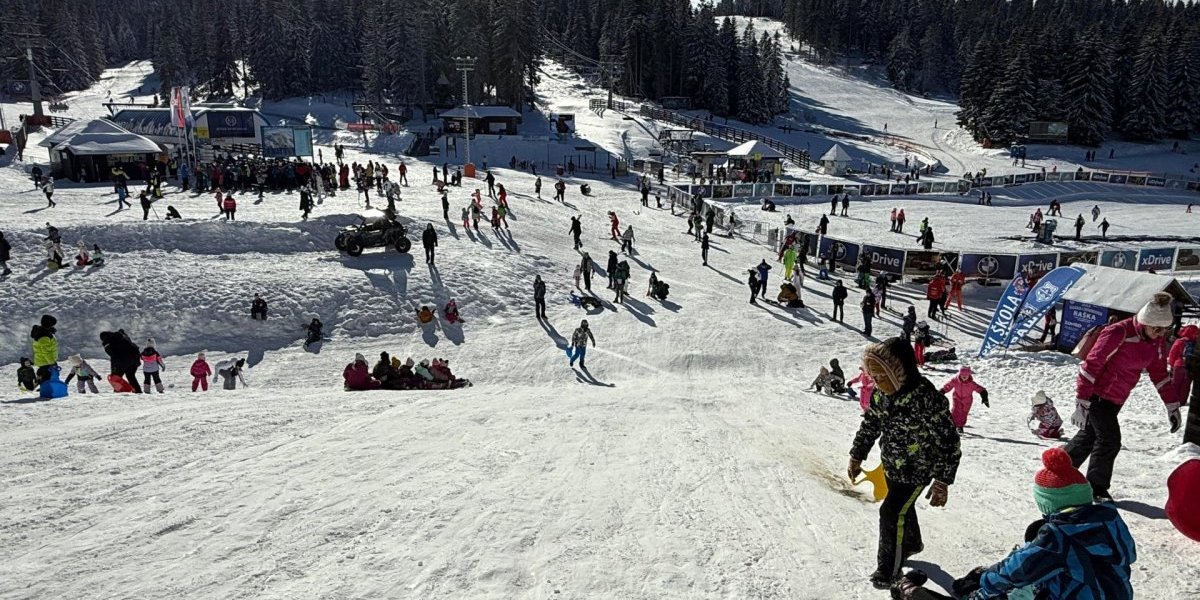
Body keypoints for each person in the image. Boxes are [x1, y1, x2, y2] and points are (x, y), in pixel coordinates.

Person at [849, 337, 961, 589]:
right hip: (892, 464)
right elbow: (870, 425)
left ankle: (888, 569)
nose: (877, 383)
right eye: (873, 377)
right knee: (901, 509)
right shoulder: (881, 395)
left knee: (890, 512)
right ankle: (911, 542)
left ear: (899, 372)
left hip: (917, 470)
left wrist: (942, 480)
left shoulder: (926, 398)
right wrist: (857, 454)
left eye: (882, 377)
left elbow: (948, 441)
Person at [955, 448, 1134, 600]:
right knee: (1037, 533)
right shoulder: (1109, 521)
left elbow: (1017, 570)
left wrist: (984, 582)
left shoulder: (1059, 535)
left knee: (1014, 580)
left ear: (1049, 503)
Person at [1067, 292, 1180, 502]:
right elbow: (1091, 365)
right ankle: (1096, 488)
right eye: (1157, 329)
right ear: (1145, 322)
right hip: (1097, 396)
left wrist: (1172, 405)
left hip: (1117, 398)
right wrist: (1082, 401)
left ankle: (1058, 472)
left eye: (1165, 329)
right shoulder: (1118, 332)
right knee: (1110, 440)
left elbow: (1159, 374)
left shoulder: (1155, 341)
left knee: (1089, 437)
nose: (1161, 334)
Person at [940, 367, 989, 433]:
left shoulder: (971, 384)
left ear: (969, 375)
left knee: (964, 413)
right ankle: (955, 425)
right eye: (962, 375)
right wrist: (942, 391)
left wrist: (984, 397)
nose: (964, 377)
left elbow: (981, 389)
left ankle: (960, 426)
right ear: (960, 374)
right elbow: (948, 386)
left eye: (966, 376)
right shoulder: (955, 380)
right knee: (956, 411)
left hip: (967, 401)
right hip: (956, 398)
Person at [30, 314, 59, 385]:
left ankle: (41, 382)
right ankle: (45, 390)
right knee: (47, 377)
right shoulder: (44, 336)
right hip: (46, 361)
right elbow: (45, 351)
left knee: (44, 374)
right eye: (52, 325)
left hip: (43, 360)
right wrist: (52, 362)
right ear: (49, 324)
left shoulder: (42, 332)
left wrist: (50, 331)